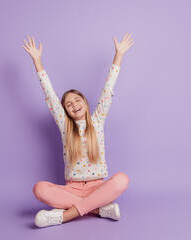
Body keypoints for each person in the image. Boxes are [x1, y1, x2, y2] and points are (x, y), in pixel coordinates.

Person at [22, 33, 134, 228]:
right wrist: (37, 62)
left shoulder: (97, 120)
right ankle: (99, 209)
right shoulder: (65, 126)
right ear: (64, 110)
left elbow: (109, 89)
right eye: (68, 104)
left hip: (98, 187)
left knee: (121, 180)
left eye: (77, 100)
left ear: (85, 103)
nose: (74, 105)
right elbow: (49, 95)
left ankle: (63, 216)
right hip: (71, 190)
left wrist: (119, 55)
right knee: (39, 188)